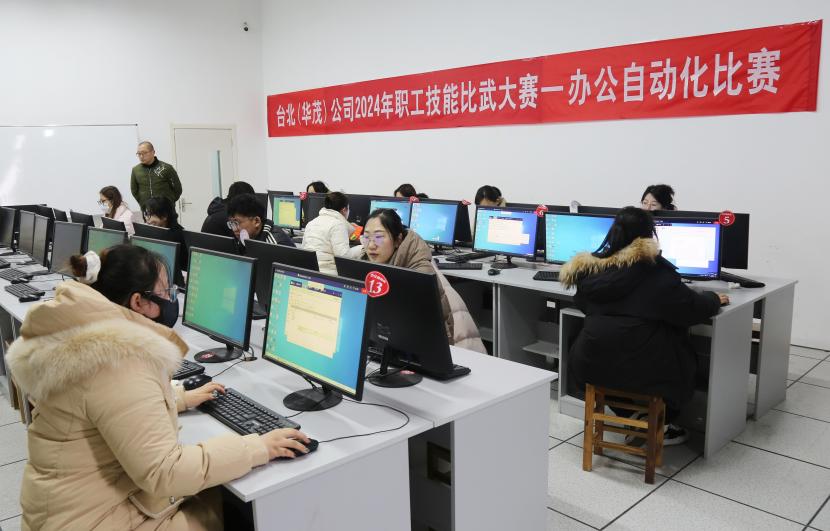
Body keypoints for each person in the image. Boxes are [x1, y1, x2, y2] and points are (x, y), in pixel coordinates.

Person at [6, 245, 311, 530]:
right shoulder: (117, 358)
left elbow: (105, 406)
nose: (171, 298)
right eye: (165, 291)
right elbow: (166, 472)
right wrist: (258, 447)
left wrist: (177, 398)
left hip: (66, 511)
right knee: (236, 506)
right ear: (138, 302)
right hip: (98, 520)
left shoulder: (81, 337)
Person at [559, 207, 727, 445]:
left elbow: (585, 305)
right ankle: (661, 422)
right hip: (645, 370)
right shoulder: (656, 272)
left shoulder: (592, 271)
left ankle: (631, 415)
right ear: (649, 235)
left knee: (611, 357)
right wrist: (713, 299)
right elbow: (691, 310)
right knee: (681, 356)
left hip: (590, 364)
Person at [361, 209, 486, 352]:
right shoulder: (368, 262)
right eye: (366, 237)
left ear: (398, 240)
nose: (371, 245)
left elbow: (438, 334)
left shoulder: (421, 272)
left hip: (457, 347)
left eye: (378, 237)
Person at [301, 192, 363, 275]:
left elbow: (303, 248)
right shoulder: (338, 225)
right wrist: (363, 247)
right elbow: (344, 257)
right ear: (344, 210)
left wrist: (348, 229)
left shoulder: (311, 223)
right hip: (328, 273)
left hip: (309, 270)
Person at [131, 141, 183, 213]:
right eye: (139, 154)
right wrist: (142, 202)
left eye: (144, 153)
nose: (141, 156)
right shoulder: (136, 170)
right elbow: (134, 190)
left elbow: (177, 188)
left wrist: (170, 201)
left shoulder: (167, 168)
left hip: (166, 210)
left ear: (153, 152)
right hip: (147, 210)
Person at [227, 193, 295, 248]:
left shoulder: (274, 245)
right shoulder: (244, 238)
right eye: (232, 223)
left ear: (256, 221)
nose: (234, 229)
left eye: (237, 223)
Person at [143, 196, 188, 274]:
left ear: (164, 216)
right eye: (146, 214)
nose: (147, 219)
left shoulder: (178, 235)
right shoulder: (155, 231)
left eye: (151, 215)